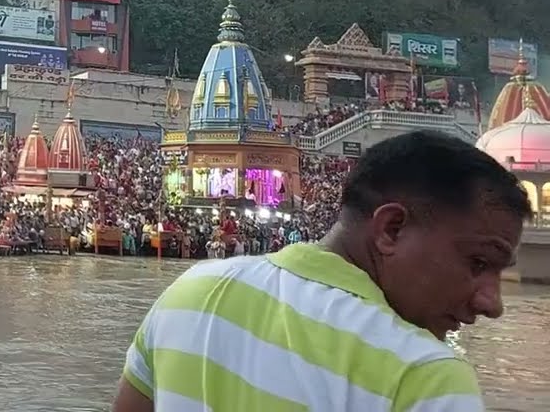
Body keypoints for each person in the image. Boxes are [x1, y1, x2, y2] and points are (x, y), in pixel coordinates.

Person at [112, 131, 530, 411]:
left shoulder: (190, 293)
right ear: (391, 229)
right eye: (478, 263)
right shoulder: (426, 375)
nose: (492, 303)